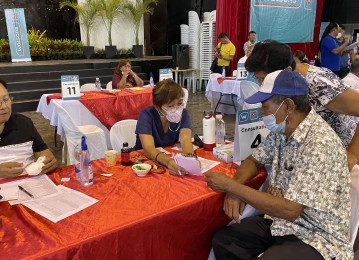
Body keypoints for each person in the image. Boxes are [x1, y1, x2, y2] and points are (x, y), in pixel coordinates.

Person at [205, 69, 352, 259]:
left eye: (265, 106)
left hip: (315, 235)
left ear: (288, 106)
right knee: (226, 240)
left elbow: (291, 210)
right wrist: (234, 189)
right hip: (279, 222)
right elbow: (254, 160)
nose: (261, 113)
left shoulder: (319, 144)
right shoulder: (283, 131)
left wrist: (230, 185)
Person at [245, 40, 359, 170]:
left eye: (263, 79)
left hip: (334, 155)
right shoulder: (283, 85)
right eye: (258, 79)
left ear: (287, 71)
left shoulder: (318, 82)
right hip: (308, 152)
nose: (262, 85)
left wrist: (352, 153)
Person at [133, 80, 196, 176]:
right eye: (170, 106)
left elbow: (186, 139)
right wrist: (168, 162)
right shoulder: (146, 115)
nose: (176, 109)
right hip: (143, 162)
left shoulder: (183, 113)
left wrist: (189, 160)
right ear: (158, 107)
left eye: (179, 103)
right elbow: (148, 148)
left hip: (167, 156)